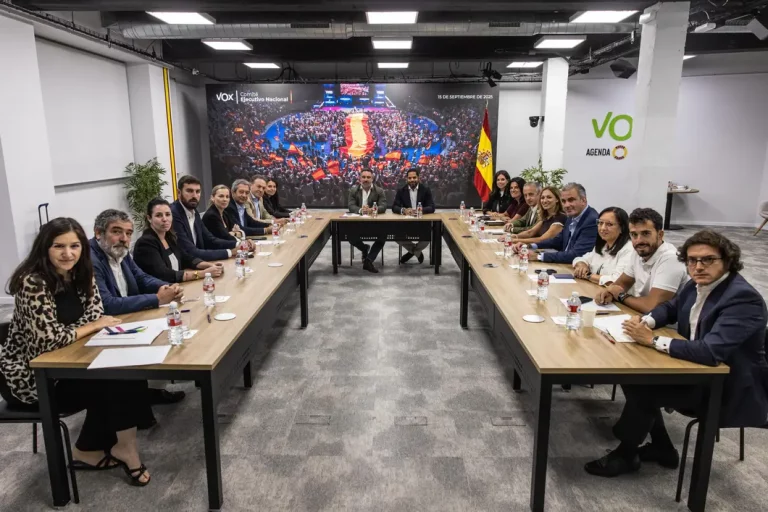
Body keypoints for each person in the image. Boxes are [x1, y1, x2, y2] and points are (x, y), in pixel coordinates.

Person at [585, 230, 768, 477]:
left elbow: (711, 351)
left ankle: (626, 453)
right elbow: (670, 308)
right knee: (633, 375)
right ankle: (661, 447)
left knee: (643, 387)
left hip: (725, 385)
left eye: (708, 259)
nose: (698, 266)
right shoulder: (697, 283)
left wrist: (652, 340)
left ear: (728, 260)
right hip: (695, 368)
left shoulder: (743, 299)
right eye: (692, 260)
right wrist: (646, 322)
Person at [0, 218, 153, 485]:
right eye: (58, 246)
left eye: (74, 246)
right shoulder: (33, 283)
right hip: (31, 378)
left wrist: (84, 327)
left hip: (72, 359)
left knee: (129, 372)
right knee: (114, 383)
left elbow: (95, 315)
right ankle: (109, 450)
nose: (67, 253)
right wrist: (89, 326)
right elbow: (49, 341)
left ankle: (103, 447)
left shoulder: (83, 273)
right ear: (44, 248)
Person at [595, 208, 689, 314]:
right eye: (634, 235)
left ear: (660, 235)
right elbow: (622, 284)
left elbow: (652, 307)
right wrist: (608, 293)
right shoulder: (638, 252)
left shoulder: (671, 259)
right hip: (645, 318)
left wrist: (621, 295)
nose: (639, 240)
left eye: (645, 233)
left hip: (669, 327)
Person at [91, 209, 182, 316]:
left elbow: (141, 278)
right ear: (98, 233)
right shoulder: (90, 260)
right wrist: (157, 298)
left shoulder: (119, 251)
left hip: (129, 317)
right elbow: (106, 304)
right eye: (116, 231)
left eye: (128, 233)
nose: (124, 239)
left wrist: (169, 287)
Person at [134, 198, 225, 284]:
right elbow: (164, 274)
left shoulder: (169, 237)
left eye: (168, 214)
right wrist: (203, 274)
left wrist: (209, 265)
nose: (165, 219)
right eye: (158, 215)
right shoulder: (145, 243)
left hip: (178, 287)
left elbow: (186, 258)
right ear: (149, 218)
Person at [524, 182, 598, 264]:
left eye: (571, 200)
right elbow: (558, 240)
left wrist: (539, 256)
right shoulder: (571, 216)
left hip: (575, 269)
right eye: (564, 201)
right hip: (564, 265)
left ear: (583, 200)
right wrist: (531, 245)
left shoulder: (591, 221)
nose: (566, 205)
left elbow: (577, 254)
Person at [171, 175, 237, 261]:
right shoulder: (173, 213)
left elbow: (210, 239)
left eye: (197, 191)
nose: (194, 196)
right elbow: (190, 251)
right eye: (189, 191)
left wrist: (239, 244)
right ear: (179, 193)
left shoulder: (194, 212)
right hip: (185, 268)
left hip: (198, 262)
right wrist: (230, 252)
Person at [572, 207, 634, 290]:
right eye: (600, 223)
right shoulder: (604, 245)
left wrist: (588, 276)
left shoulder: (629, 249)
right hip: (596, 290)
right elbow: (581, 258)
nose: (602, 228)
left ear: (622, 228)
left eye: (609, 224)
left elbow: (616, 281)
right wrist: (581, 265)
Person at [391, 167, 436, 264]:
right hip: (406, 223)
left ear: (418, 178)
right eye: (410, 178)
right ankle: (416, 251)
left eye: (414, 178)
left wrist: (420, 210)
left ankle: (412, 252)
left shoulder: (425, 190)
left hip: (422, 223)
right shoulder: (401, 191)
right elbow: (394, 207)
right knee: (395, 236)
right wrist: (404, 210)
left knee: (430, 236)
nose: (412, 180)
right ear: (407, 179)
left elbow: (432, 207)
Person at [347, 168, 387, 273]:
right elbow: (351, 206)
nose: (366, 179)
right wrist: (361, 210)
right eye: (363, 177)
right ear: (359, 178)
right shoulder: (353, 190)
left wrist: (373, 209)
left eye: (368, 177)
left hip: (374, 223)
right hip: (358, 223)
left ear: (372, 179)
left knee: (383, 236)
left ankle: (368, 261)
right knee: (349, 235)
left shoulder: (379, 191)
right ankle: (364, 248)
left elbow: (383, 206)